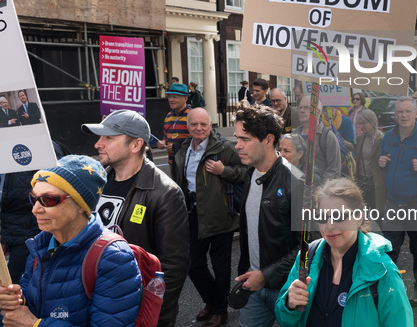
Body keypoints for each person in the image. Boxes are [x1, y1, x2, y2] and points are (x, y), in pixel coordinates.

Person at [0, 155, 142, 326]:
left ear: (81, 205)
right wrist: (16, 301)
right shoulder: (40, 245)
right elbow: (32, 307)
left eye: (49, 200)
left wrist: (35, 324)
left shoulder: (114, 257)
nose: (35, 209)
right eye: (33, 198)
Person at [82, 109, 190, 326]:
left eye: (109, 138)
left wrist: (148, 314)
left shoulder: (165, 192)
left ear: (136, 145)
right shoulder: (97, 182)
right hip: (96, 302)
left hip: (133, 310)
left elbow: (172, 268)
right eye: (100, 137)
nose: (98, 144)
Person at [274, 178, 413, 327]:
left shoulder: (382, 270)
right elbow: (284, 319)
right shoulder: (306, 257)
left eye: (338, 216)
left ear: (359, 217)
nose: (329, 225)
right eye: (322, 217)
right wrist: (289, 304)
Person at [174, 108, 246, 327]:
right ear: (188, 126)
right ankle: (214, 300)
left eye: (203, 124)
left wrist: (224, 170)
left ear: (210, 124)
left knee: (221, 267)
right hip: (192, 213)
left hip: (220, 215)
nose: (199, 128)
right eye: (194, 124)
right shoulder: (183, 147)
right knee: (193, 264)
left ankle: (220, 310)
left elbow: (246, 171)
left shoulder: (223, 148)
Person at [233, 105, 304, 327]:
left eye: (245, 139)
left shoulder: (296, 182)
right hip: (252, 285)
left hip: (287, 288)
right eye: (237, 138)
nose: (238, 146)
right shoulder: (250, 173)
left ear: (268, 139)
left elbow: (308, 246)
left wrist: (267, 274)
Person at [378, 96, 417, 307]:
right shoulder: (388, 137)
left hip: (416, 206)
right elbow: (383, 159)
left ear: (416, 113)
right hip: (393, 204)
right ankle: (388, 287)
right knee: (389, 249)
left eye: (408, 111)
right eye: (400, 112)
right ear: (395, 115)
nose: (403, 115)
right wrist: (381, 162)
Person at [0, 141, 69, 283]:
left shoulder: (40, 146)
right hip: (14, 233)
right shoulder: (5, 146)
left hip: (35, 235)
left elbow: (53, 197)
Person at [293, 96, 341, 183]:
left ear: (317, 112)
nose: (302, 110)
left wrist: (318, 189)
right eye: (300, 107)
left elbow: (334, 170)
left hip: (317, 192)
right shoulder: (294, 135)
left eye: (307, 108)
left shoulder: (327, 136)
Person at [157, 83, 192, 179]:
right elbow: (166, 136)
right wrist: (163, 142)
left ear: (185, 98)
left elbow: (197, 141)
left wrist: (176, 146)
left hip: (187, 163)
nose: (171, 100)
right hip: (172, 163)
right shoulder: (168, 116)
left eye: (175, 97)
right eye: (170, 96)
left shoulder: (192, 116)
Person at [354, 109, 386, 217]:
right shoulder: (360, 139)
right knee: (361, 217)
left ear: (372, 122)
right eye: (359, 124)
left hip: (375, 184)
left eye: (363, 123)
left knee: (378, 216)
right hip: (361, 182)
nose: (361, 126)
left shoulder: (381, 139)